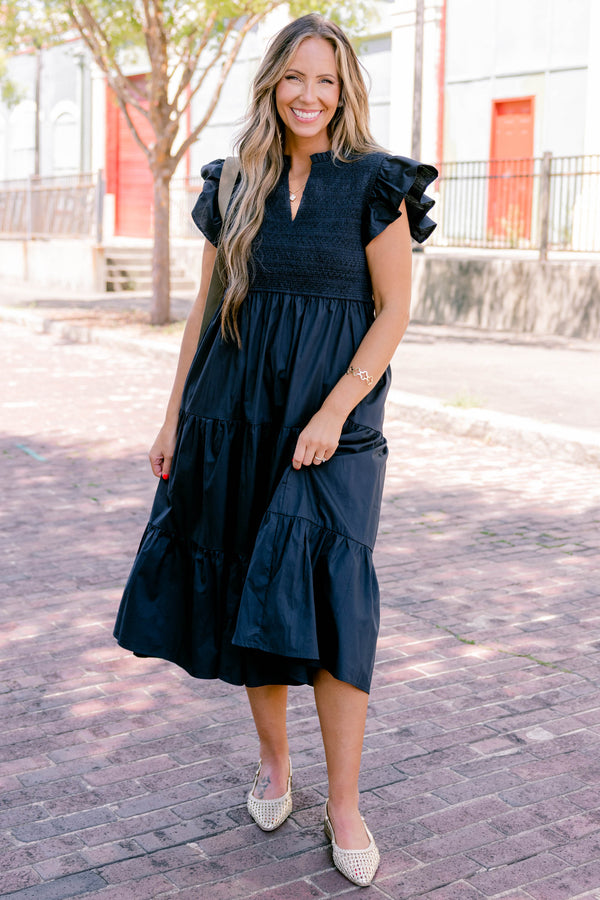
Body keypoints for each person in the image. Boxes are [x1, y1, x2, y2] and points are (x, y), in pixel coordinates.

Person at [114, 13, 436, 887]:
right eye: (296, 77)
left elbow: (395, 312)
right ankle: (274, 767)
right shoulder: (238, 181)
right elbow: (205, 310)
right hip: (235, 412)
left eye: (326, 80)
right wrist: (173, 415)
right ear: (272, 84)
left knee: (337, 602)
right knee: (253, 582)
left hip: (336, 424)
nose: (309, 95)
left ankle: (344, 803)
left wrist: (333, 413)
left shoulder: (376, 184)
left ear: (346, 91)